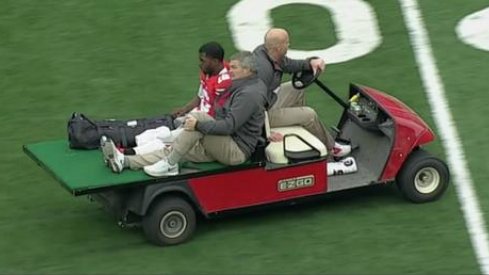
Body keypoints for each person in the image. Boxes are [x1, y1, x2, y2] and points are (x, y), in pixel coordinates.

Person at [101, 51, 267, 177]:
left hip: (235, 150)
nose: (229, 71)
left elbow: (229, 126)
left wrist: (198, 126)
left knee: (198, 119)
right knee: (177, 149)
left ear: (247, 70)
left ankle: (170, 162)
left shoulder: (248, 94)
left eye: (234, 67)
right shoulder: (244, 85)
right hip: (223, 143)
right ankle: (126, 161)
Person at [110, 41, 233, 157]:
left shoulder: (224, 82)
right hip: (196, 117)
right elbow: (201, 96)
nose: (200, 64)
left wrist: (197, 125)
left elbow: (218, 115)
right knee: (162, 132)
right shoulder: (209, 71)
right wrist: (185, 109)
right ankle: (128, 146)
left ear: (216, 61)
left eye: (203, 61)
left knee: (171, 140)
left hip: (204, 125)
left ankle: (128, 153)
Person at [253, 28, 351, 158]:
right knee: (309, 115)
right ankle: (331, 149)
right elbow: (252, 105)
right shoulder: (263, 71)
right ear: (277, 48)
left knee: (296, 90)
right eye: (286, 43)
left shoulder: (268, 52)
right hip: (261, 116)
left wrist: (309, 63)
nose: (289, 45)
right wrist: (265, 133)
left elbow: (288, 65)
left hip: (268, 102)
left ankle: (304, 138)